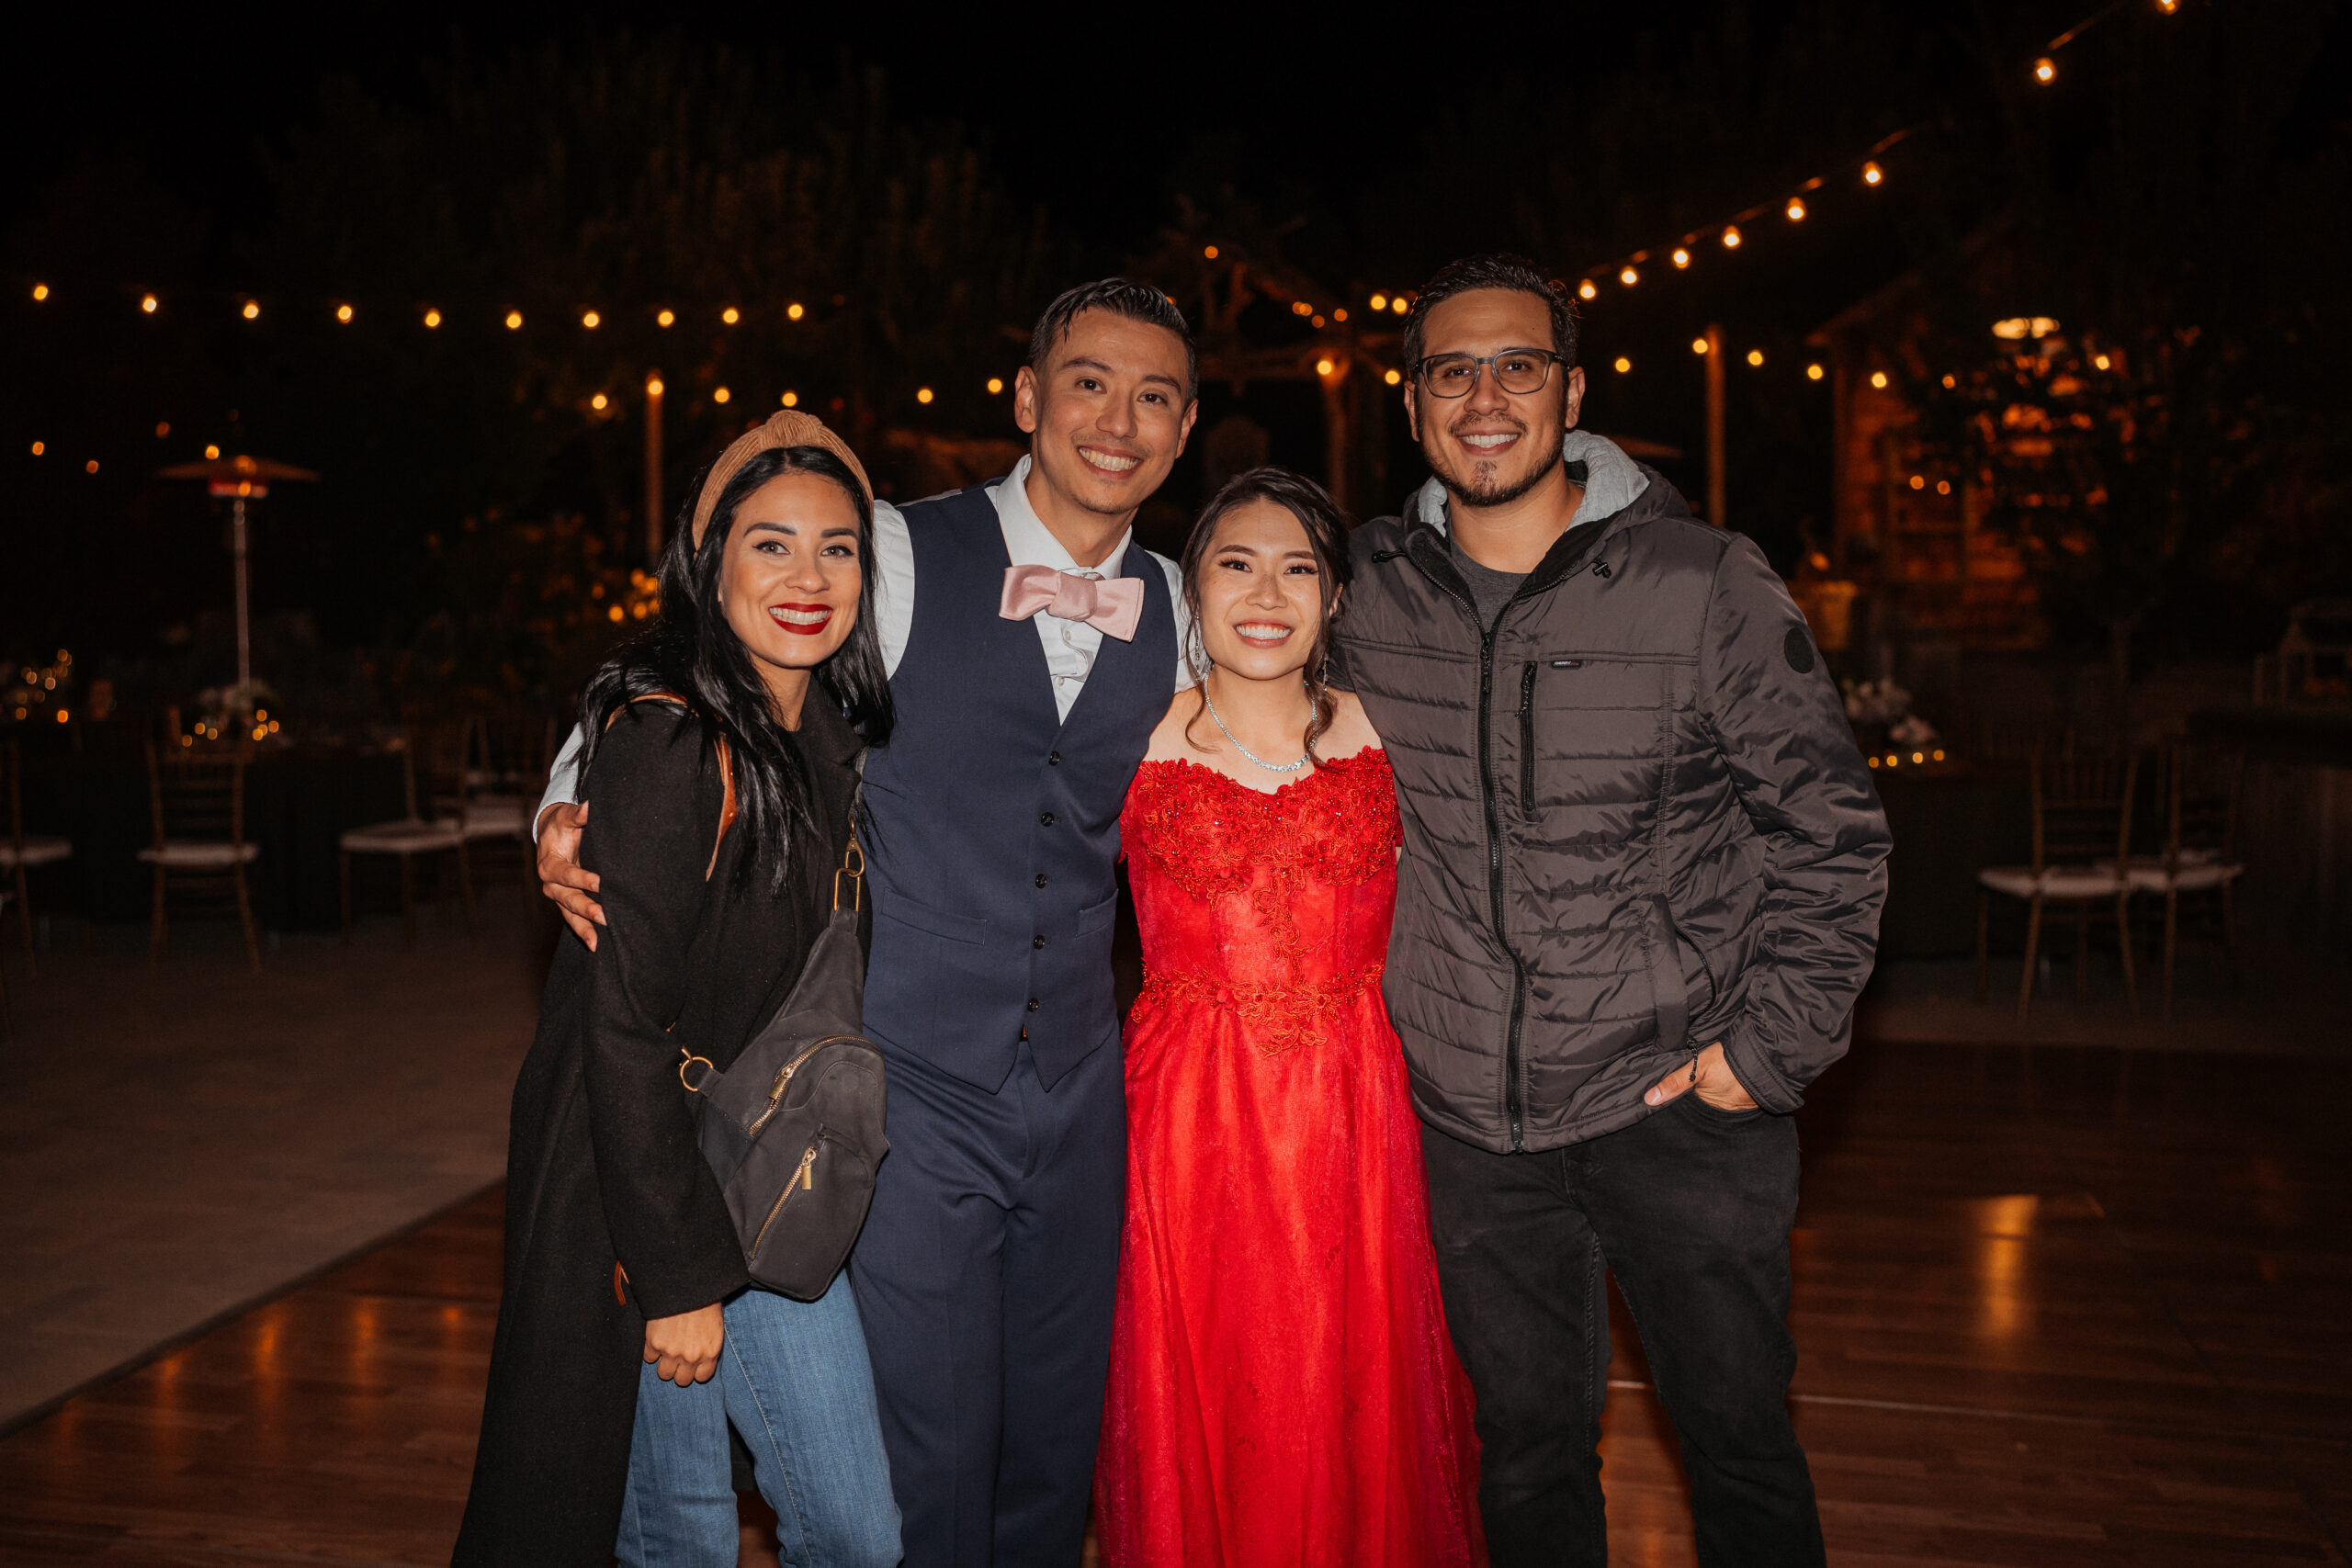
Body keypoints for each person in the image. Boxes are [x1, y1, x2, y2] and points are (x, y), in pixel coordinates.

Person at [536, 280, 1202, 1566]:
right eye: (1088, 382)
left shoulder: (1184, 605)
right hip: (906, 1088)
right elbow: (695, 674)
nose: (1117, 419)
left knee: (1057, 1438)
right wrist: (562, 810)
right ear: (1025, 396)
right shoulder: (892, 548)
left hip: (1082, 1091)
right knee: (930, 1443)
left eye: (1155, 396)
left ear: (1182, 432)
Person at [1335, 254, 1892, 1568]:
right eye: (1452, 369)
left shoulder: (1704, 582)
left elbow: (1831, 830)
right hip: (1472, 1123)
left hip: (1679, 1109)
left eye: (1520, 365)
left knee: (1739, 1445)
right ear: (1412, 405)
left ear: (1572, 391)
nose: (1486, 395)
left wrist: (1766, 1056)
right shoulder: (1362, 592)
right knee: (1525, 1457)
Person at [456, 416, 901, 1568]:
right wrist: (674, 1279)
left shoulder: (831, 738)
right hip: (639, 1183)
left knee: (855, 1529)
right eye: (771, 544)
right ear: (710, 566)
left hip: (765, 1165)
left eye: (838, 548)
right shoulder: (667, 743)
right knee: (684, 1539)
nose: (808, 578)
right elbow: (619, 1031)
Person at [1093, 468, 1485, 1567]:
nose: (1265, 592)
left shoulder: (1392, 733)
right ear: (1191, 591)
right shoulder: (1130, 735)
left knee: (1354, 1384)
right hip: (1187, 1125)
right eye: (1235, 563)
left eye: (1297, 567)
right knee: (1204, 1384)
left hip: (1361, 1112)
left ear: (1335, 598)